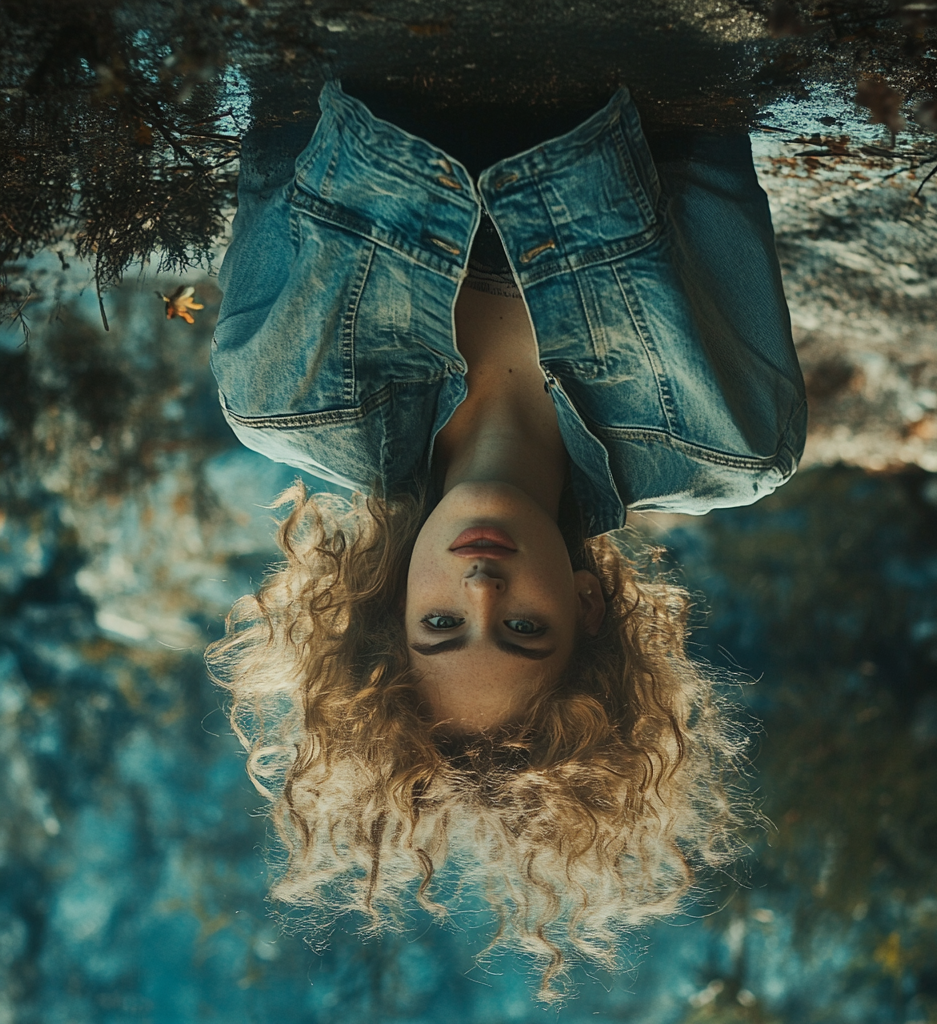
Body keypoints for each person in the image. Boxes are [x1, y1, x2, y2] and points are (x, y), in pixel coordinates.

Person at [205, 80, 805, 999]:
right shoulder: (727, 435)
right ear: (591, 605)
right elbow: (709, 104)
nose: (481, 585)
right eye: (525, 630)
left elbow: (283, 92)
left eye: (440, 624)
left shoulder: (283, 397)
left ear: (393, 594)